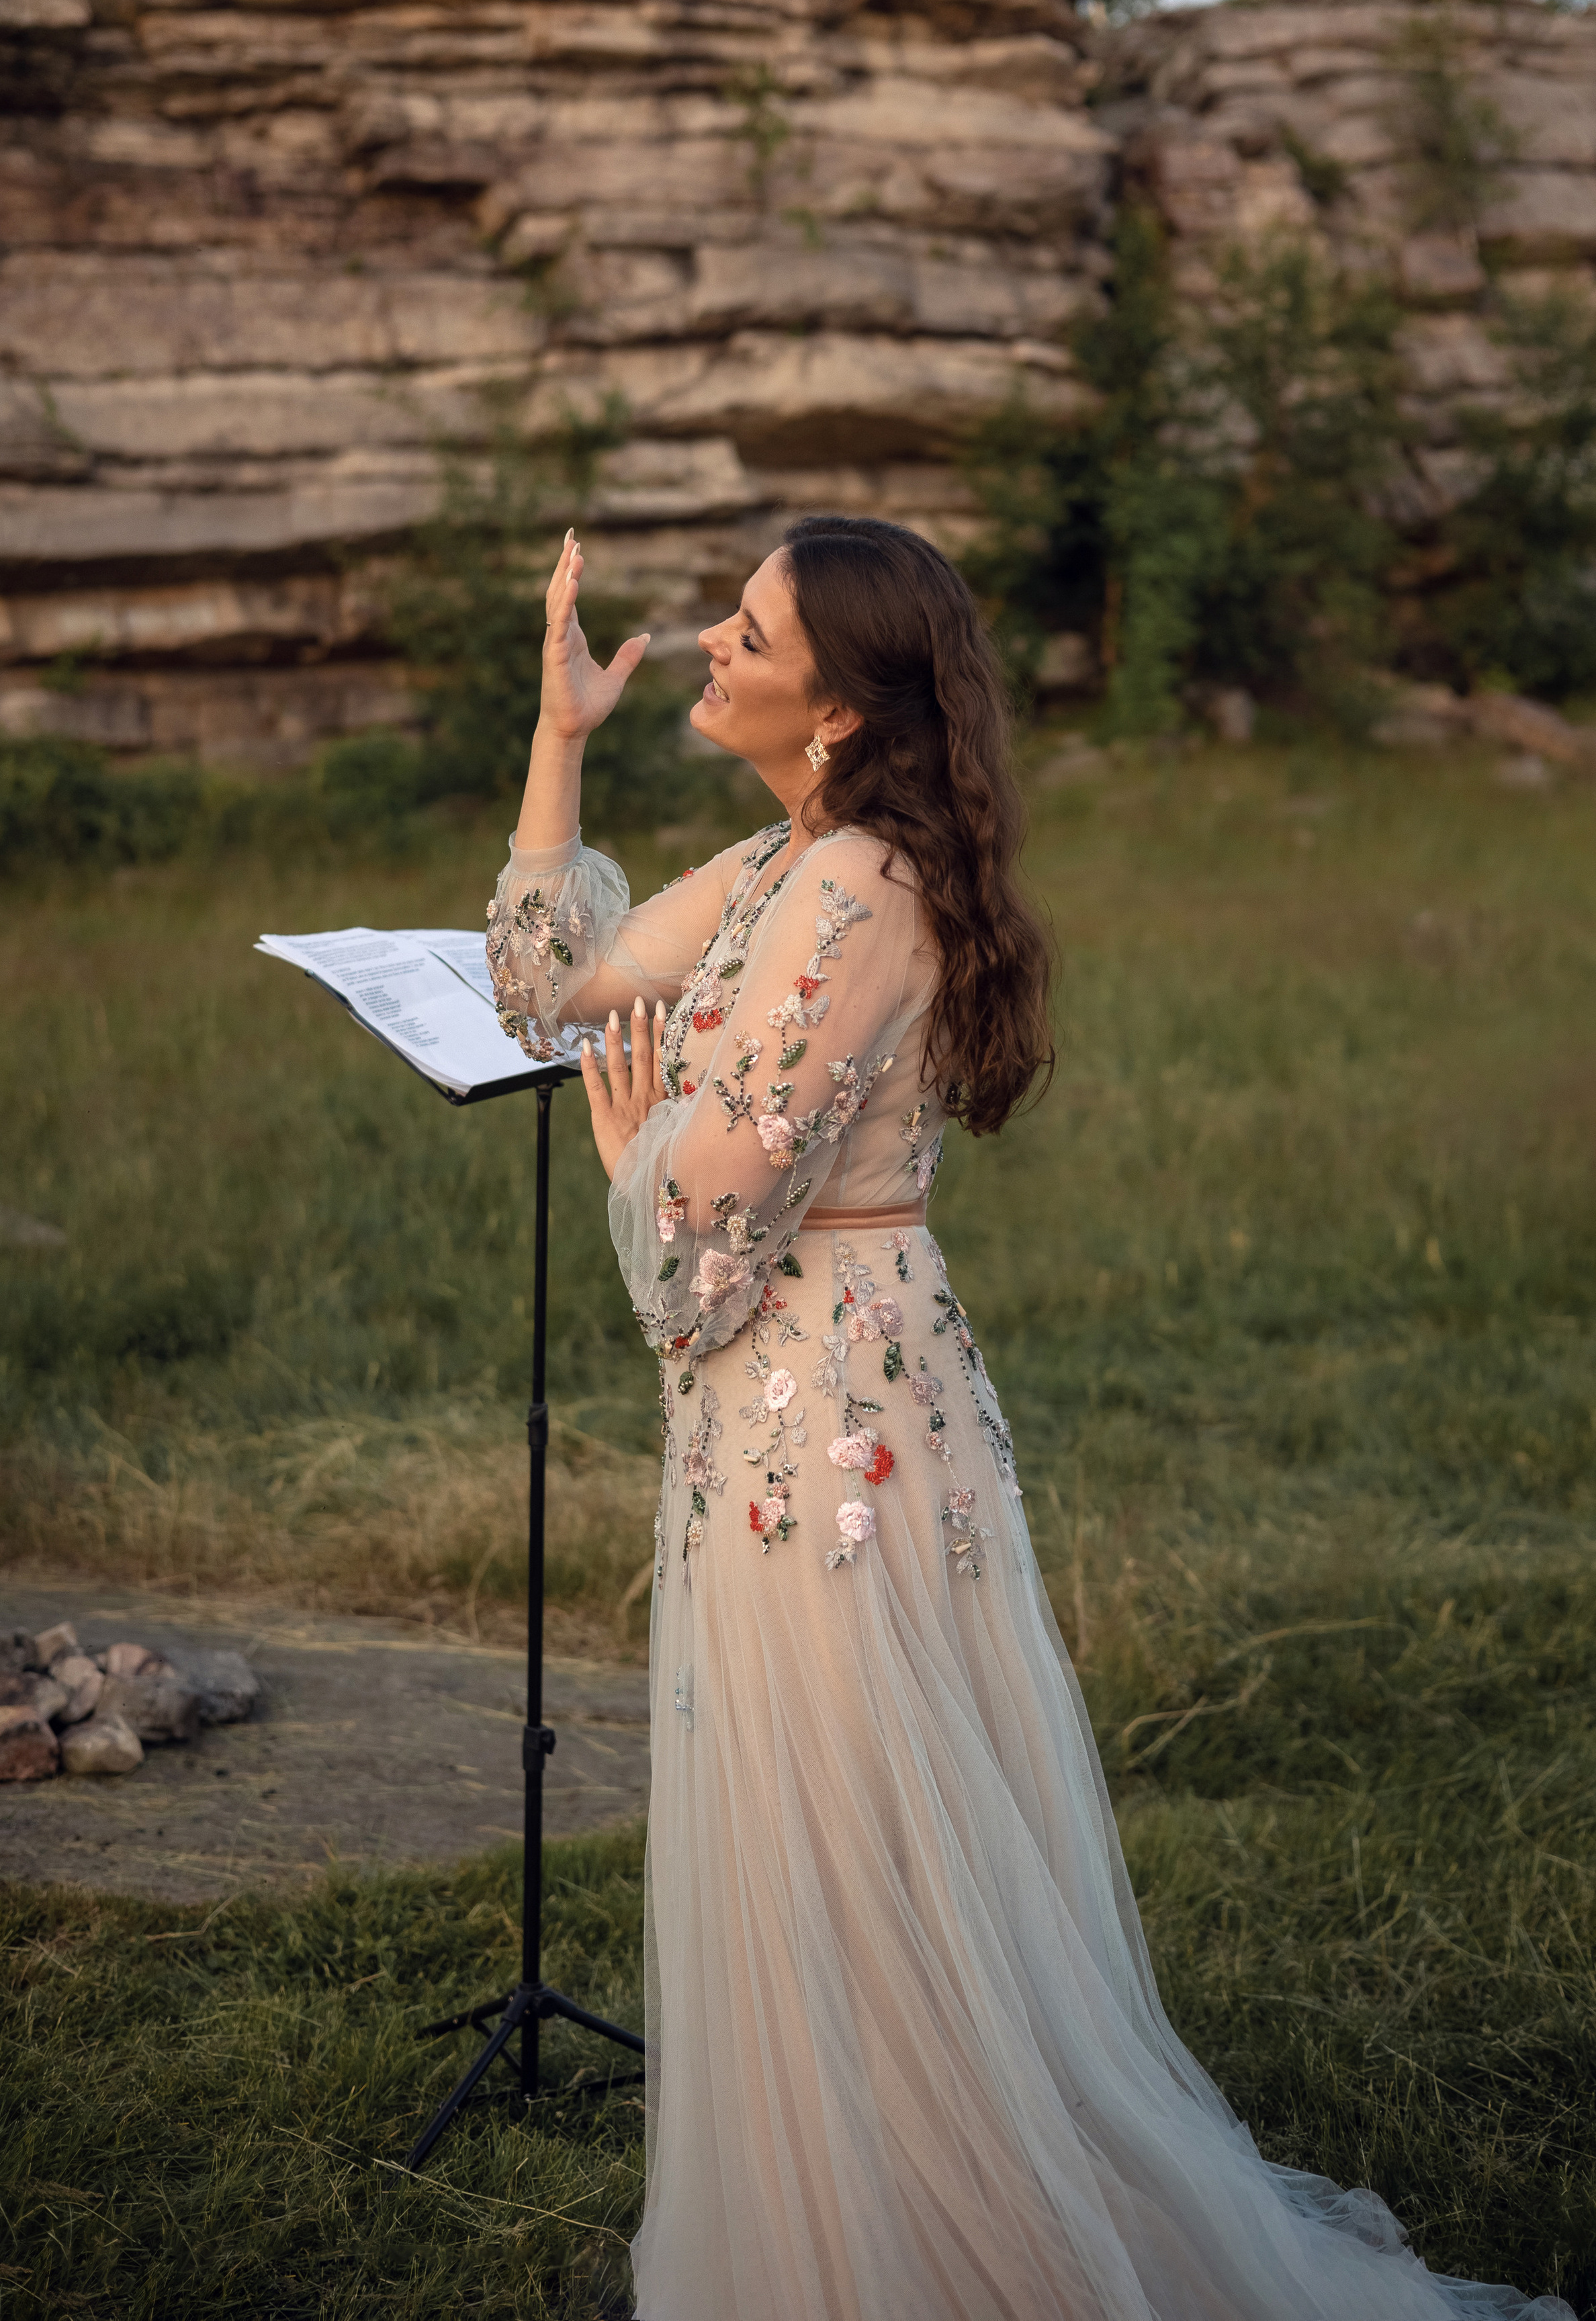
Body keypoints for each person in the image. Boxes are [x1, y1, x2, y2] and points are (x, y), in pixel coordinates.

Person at [485, 517, 1568, 2321]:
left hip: (829, 1421)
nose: (709, 650)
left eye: (746, 635)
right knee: (831, 1828)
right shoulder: (780, 862)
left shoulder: (847, 897)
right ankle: (849, 2220)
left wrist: (633, 1150)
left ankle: (925, 2245)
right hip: (802, 1399)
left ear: (832, 711)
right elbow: (544, 983)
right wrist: (558, 736)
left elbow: (719, 1211)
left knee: (854, 1828)